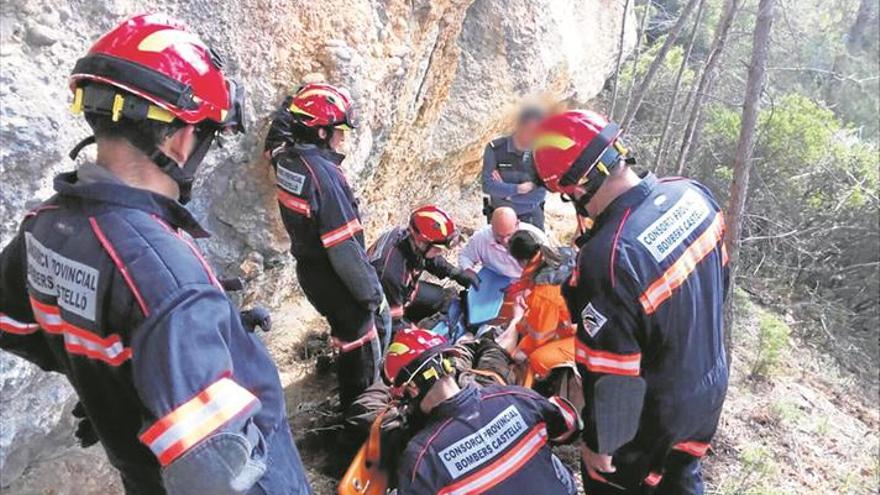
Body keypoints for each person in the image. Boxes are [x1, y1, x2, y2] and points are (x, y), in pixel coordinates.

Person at [0, 14, 310, 494]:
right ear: (181, 138)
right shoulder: (171, 285)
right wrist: (170, 343)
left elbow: (15, 326)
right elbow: (217, 478)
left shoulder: (46, 226)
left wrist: (119, 382)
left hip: (144, 470)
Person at [532, 110, 730, 494]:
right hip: (708, 386)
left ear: (574, 187)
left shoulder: (608, 259)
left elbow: (611, 371)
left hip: (652, 414)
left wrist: (601, 446)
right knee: (680, 477)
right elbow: (717, 287)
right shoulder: (692, 193)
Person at [266, 82, 386, 409]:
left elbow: (274, 140)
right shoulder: (326, 179)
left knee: (343, 330)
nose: (342, 137)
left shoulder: (286, 159)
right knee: (360, 344)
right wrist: (371, 296)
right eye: (338, 131)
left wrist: (295, 104)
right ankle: (359, 410)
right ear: (321, 133)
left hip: (309, 271)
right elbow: (344, 250)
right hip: (335, 274)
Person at [385, 328, 581, 494]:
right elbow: (570, 425)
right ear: (451, 363)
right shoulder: (518, 397)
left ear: (411, 390)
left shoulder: (421, 458)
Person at [368, 205, 479, 338]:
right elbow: (391, 323)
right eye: (438, 248)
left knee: (446, 298)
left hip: (404, 293)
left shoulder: (407, 237)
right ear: (422, 244)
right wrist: (420, 334)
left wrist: (456, 273)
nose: (440, 252)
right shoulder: (391, 274)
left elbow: (430, 258)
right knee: (425, 341)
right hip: (380, 313)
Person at [502, 230, 576, 360]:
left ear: (522, 261)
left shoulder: (544, 293)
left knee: (535, 360)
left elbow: (540, 336)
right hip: (587, 315)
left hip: (578, 333)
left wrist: (520, 351)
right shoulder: (561, 254)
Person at [481, 105, 548, 229]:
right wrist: (518, 189)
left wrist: (506, 194)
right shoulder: (495, 149)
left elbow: (539, 195)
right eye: (530, 129)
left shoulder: (540, 152)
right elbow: (488, 186)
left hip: (530, 217)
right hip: (500, 218)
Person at [459, 206, 548, 279]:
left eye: (509, 235)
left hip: (528, 280)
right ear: (491, 226)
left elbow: (548, 269)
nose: (505, 241)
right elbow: (465, 256)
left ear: (517, 224)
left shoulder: (535, 238)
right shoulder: (482, 238)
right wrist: (468, 270)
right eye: (499, 236)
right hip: (495, 278)